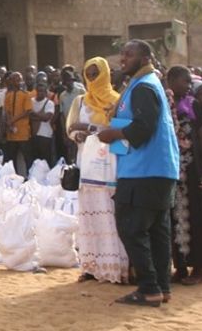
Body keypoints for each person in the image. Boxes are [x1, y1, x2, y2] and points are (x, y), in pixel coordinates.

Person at [96, 41, 179, 307]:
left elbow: (143, 128)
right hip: (156, 168)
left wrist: (115, 134)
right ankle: (161, 287)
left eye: (129, 54)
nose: (123, 59)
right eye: (121, 54)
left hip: (144, 169)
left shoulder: (144, 87)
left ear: (145, 58)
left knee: (131, 228)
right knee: (156, 231)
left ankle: (149, 287)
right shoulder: (142, 84)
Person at [67, 57, 129, 284]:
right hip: (87, 165)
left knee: (111, 214)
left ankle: (115, 265)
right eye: (89, 74)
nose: (92, 79)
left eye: (96, 74)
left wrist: (89, 129)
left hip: (110, 165)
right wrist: (78, 135)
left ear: (105, 74)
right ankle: (91, 266)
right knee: (89, 214)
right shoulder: (80, 102)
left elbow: (120, 131)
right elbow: (70, 128)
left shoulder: (117, 101)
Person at [167, 68, 202, 284]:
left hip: (193, 168)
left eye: (190, 81)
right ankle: (180, 266)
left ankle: (199, 267)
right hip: (171, 169)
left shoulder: (194, 105)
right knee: (174, 218)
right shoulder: (164, 105)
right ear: (170, 81)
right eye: (184, 81)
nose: (188, 85)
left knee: (197, 215)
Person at [2, 72, 34, 176]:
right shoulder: (8, 95)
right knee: (11, 158)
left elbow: (27, 111)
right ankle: (13, 178)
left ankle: (30, 177)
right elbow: (7, 112)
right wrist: (9, 123)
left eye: (19, 80)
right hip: (11, 134)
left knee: (27, 157)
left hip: (23, 132)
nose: (17, 82)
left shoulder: (26, 95)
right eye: (15, 80)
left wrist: (13, 120)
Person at [57, 66, 85, 164]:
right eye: (66, 81)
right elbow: (62, 115)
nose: (69, 83)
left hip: (80, 125)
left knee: (81, 152)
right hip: (69, 127)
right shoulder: (62, 96)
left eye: (70, 81)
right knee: (71, 154)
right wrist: (64, 132)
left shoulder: (81, 91)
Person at [30, 81, 56, 165]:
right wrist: (40, 115)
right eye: (39, 91)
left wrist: (34, 113)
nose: (40, 93)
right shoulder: (31, 101)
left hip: (45, 135)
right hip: (33, 135)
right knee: (35, 161)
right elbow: (28, 117)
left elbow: (46, 118)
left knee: (46, 160)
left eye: (42, 91)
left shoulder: (50, 103)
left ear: (46, 92)